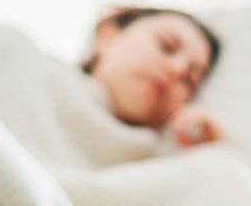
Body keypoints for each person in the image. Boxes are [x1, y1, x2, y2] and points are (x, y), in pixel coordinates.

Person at [83, 8, 226, 149]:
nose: (177, 69)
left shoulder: (172, 163)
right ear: (107, 36)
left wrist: (216, 149)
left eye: (189, 80)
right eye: (167, 45)